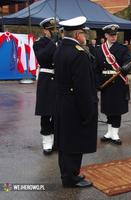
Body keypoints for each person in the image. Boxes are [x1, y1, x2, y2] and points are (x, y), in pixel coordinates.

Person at [53, 16, 98, 188]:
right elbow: (82, 87)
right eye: (83, 33)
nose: (85, 36)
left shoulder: (60, 49)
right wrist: (88, 111)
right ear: (78, 34)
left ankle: (67, 173)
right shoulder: (78, 53)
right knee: (74, 142)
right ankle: (70, 178)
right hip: (74, 104)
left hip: (63, 102)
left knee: (65, 141)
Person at [94, 24, 131, 145]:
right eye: (111, 35)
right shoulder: (100, 49)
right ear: (105, 35)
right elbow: (96, 69)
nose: (113, 37)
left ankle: (115, 132)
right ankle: (109, 132)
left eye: (115, 34)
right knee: (108, 108)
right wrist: (97, 83)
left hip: (118, 81)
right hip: (106, 82)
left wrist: (126, 67)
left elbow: (128, 61)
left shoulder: (122, 48)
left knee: (117, 108)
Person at [33, 17, 59, 155]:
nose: (54, 32)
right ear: (45, 30)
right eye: (51, 30)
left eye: (56, 29)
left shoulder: (60, 43)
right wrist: (52, 43)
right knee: (45, 112)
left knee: (57, 111)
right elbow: (42, 57)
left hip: (58, 79)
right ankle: (46, 141)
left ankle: (55, 139)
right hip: (46, 78)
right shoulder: (39, 43)